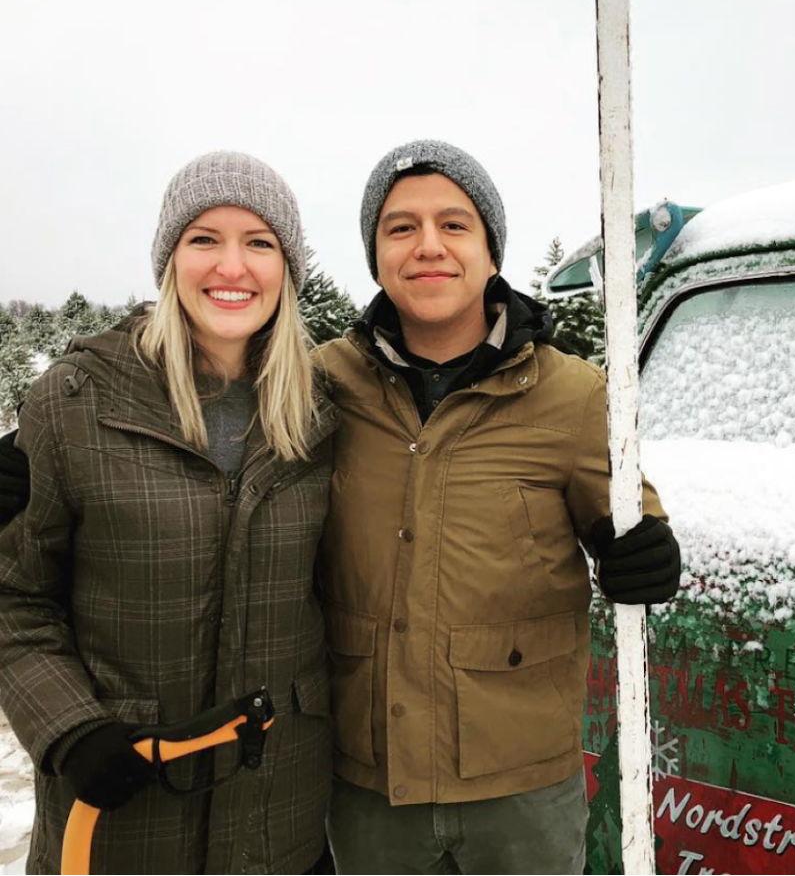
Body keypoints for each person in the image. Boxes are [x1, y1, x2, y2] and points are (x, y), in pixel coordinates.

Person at [319, 139, 680, 875]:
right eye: (400, 227)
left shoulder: (572, 395)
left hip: (520, 788)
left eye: (454, 225)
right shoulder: (322, 384)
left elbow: (628, 520)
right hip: (367, 780)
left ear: (490, 250)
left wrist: (644, 553)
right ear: (376, 254)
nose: (428, 246)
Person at [0, 152, 336, 874]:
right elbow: (13, 596)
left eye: (259, 242)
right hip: (121, 810)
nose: (232, 266)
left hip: (279, 820)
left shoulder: (326, 414)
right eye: (204, 238)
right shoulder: (76, 401)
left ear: (288, 267)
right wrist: (69, 729)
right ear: (170, 258)